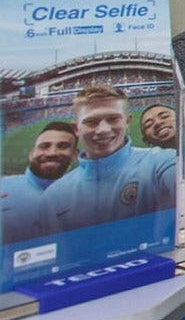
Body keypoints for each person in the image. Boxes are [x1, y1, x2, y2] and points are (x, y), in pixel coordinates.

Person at [42, 85, 177, 232]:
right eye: (91, 122)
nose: (103, 130)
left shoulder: (161, 161)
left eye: (113, 119)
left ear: (127, 121)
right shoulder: (55, 195)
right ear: (76, 129)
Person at [0, 121, 76, 244]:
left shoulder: (82, 194)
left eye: (63, 146)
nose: (52, 153)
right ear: (31, 154)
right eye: (44, 146)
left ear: (74, 155)